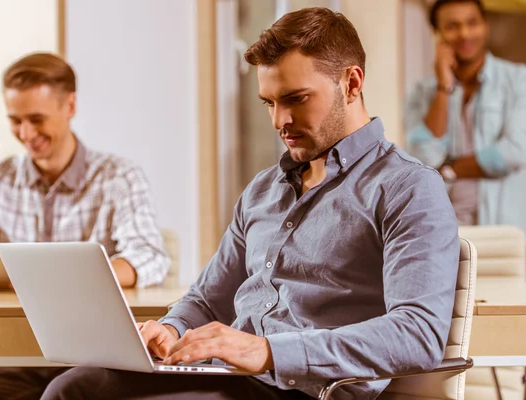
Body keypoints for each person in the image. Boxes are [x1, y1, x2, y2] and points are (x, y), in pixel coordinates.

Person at [40, 7, 460, 399]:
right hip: (233, 377)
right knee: (75, 387)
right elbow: (206, 301)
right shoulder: (264, 190)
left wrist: (269, 351)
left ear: (351, 84)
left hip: (306, 389)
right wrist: (171, 328)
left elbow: (417, 334)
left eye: (296, 98)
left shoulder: (407, 187)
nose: (279, 121)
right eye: (270, 103)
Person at [0, 52, 170, 399]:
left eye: (36, 118)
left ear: (70, 106)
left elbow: (149, 256)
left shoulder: (118, 177)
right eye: (15, 120)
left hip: (97, 358)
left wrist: (72, 276)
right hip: (18, 357)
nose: (26, 133)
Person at [405, 0, 526, 230]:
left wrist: (448, 170)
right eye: (452, 26)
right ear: (436, 33)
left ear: (485, 25)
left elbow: (515, 151)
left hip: (505, 229)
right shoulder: (421, 93)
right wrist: (443, 88)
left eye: (472, 23)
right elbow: (420, 158)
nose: (464, 34)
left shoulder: (519, 80)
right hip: (445, 230)